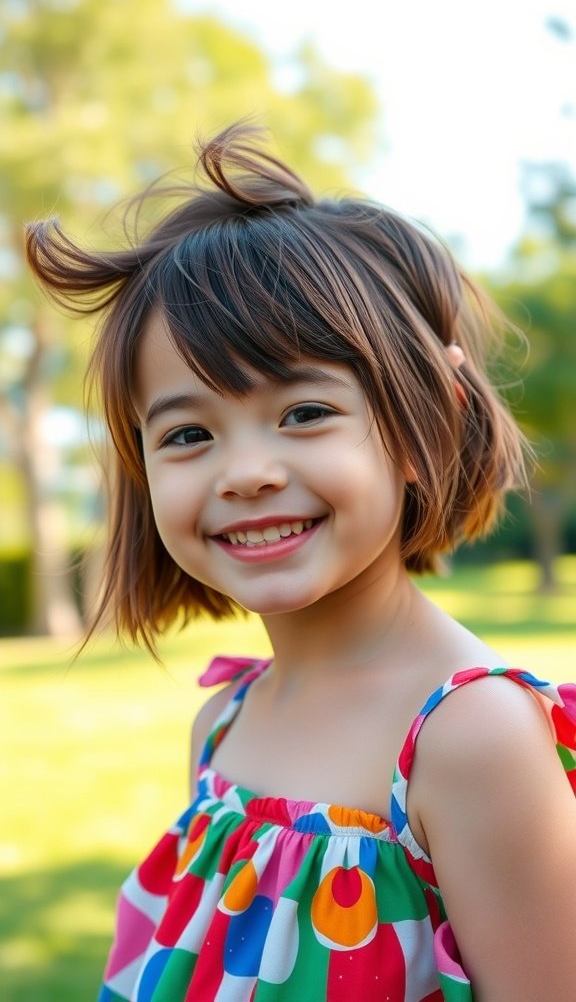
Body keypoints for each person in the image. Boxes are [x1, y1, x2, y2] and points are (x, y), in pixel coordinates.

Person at [27, 122, 576, 1002]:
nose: (246, 473)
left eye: (305, 413)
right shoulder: (222, 726)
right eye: (189, 433)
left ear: (424, 422)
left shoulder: (469, 740)